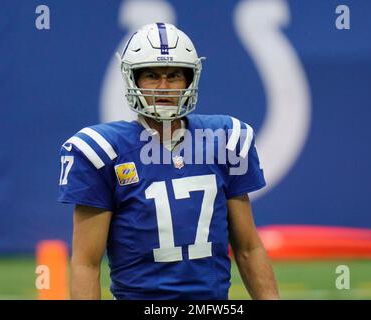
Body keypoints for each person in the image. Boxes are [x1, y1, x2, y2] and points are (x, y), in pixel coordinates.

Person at [58, 23, 279, 300]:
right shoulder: (103, 150)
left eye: (174, 75)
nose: (164, 86)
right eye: (151, 75)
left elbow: (248, 248)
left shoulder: (224, 139)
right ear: (133, 80)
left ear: (190, 80)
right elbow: (86, 264)